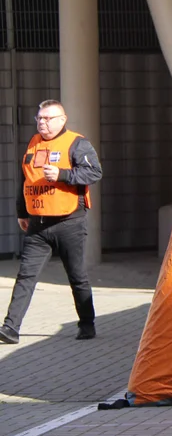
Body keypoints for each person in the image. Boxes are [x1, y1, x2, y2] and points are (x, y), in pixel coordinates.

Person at [0, 100, 103, 344]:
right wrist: (21, 211)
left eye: (47, 118)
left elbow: (94, 173)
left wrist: (62, 175)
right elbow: (25, 180)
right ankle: (10, 328)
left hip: (69, 222)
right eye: (39, 118)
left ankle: (87, 324)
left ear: (62, 120)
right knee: (26, 276)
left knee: (76, 276)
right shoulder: (34, 143)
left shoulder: (77, 143)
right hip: (38, 224)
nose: (42, 123)